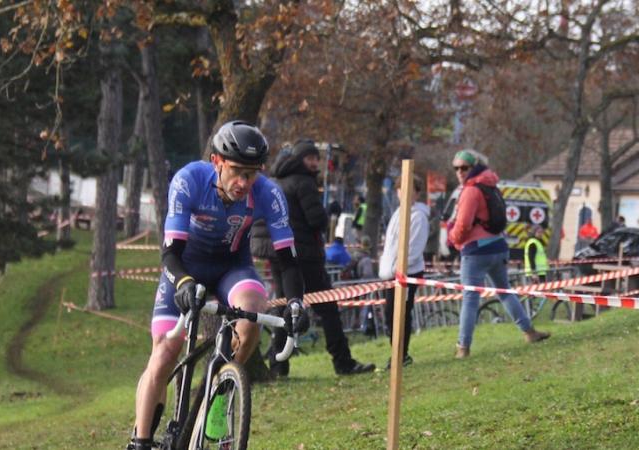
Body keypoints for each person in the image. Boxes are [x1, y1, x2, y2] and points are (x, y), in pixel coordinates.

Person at [130, 121, 310, 450]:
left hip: (232, 268)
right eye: (237, 172)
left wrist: (297, 303)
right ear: (217, 161)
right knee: (165, 352)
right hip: (184, 268)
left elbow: (287, 260)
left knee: (253, 312)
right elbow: (170, 254)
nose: (244, 183)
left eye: (251, 173)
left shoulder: (269, 193)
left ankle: (222, 394)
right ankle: (141, 440)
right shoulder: (189, 180)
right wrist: (184, 284)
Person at [251, 139, 375, 377]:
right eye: (310, 158)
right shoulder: (304, 182)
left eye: (316, 158)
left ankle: (279, 366)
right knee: (327, 307)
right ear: (299, 160)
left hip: (276, 252)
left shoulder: (276, 181)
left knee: (285, 306)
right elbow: (316, 220)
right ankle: (343, 361)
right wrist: (330, 212)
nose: (315, 162)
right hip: (303, 254)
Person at [448, 149, 550, 359]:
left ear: (473, 166)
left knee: (469, 299)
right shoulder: (491, 185)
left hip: (475, 251)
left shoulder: (471, 191)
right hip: (498, 246)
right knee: (505, 292)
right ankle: (529, 332)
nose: (459, 172)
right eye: (456, 168)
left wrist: (453, 240)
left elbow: (463, 224)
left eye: (463, 168)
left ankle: (463, 347)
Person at [379, 173, 430, 369]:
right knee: (390, 315)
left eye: (409, 190)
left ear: (417, 193)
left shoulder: (418, 217)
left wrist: (396, 270)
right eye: (401, 189)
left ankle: (401, 354)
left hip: (407, 273)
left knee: (400, 314)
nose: (404, 193)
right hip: (391, 274)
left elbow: (413, 250)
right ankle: (396, 352)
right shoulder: (397, 213)